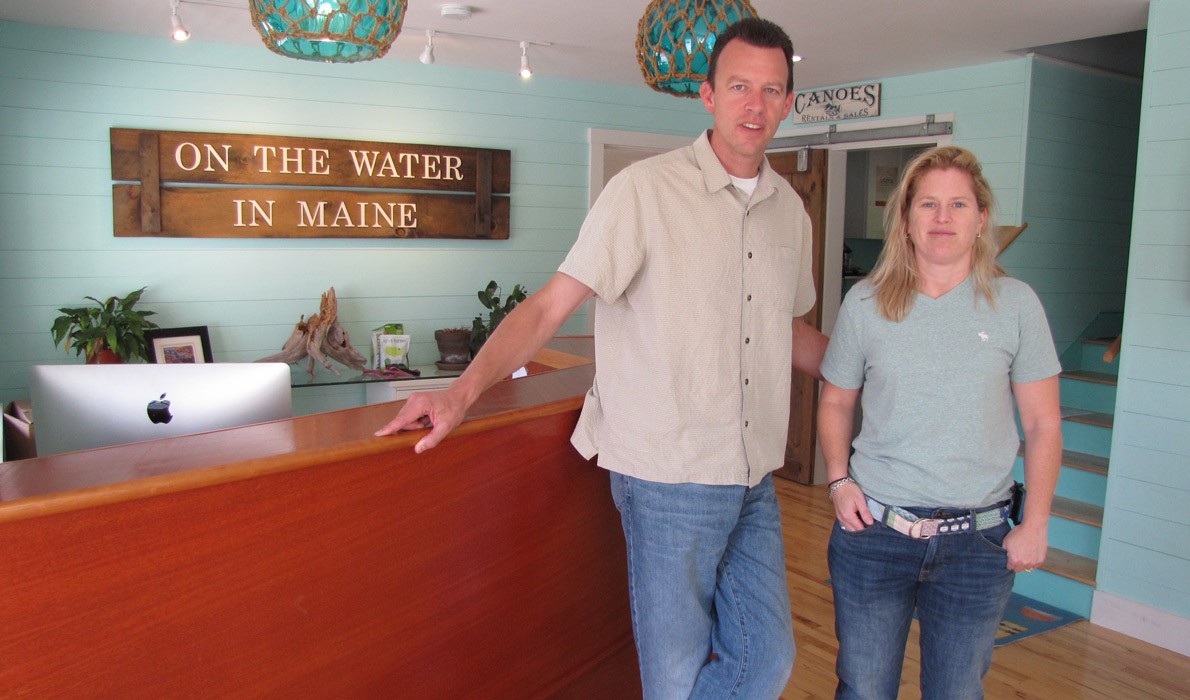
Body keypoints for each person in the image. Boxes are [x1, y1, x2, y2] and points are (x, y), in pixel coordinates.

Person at [375, 17, 828, 699]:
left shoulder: (790, 209)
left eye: (771, 90)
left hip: (752, 475)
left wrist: (870, 370)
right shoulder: (643, 192)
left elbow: (784, 327)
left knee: (768, 660)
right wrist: (459, 393)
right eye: (739, 86)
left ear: (789, 102)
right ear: (707, 94)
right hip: (666, 476)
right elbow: (548, 308)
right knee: (674, 678)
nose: (754, 105)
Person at [817, 145, 1062, 700]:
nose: (943, 217)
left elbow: (1043, 424)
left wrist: (1038, 522)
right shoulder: (866, 302)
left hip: (979, 545)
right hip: (874, 533)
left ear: (980, 219)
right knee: (863, 687)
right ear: (905, 220)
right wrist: (837, 479)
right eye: (928, 204)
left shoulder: (1016, 305)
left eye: (958, 204)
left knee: (956, 691)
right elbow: (835, 402)